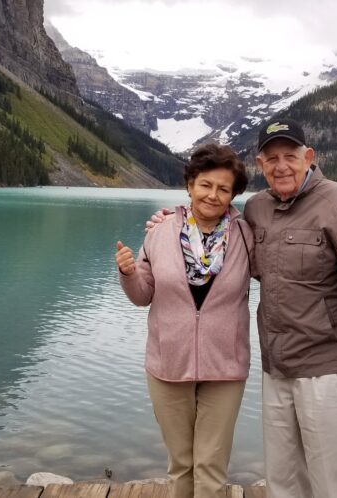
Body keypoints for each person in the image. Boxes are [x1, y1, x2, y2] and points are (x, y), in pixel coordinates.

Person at [148, 118, 337, 498]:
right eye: (271, 158)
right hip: (276, 366)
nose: (281, 166)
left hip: (327, 366)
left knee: (335, 481)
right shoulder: (257, 208)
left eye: (290, 156)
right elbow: (213, 228)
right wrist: (170, 219)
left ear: (308, 157)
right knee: (283, 480)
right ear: (260, 164)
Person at [116, 143, 253, 498]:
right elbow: (142, 295)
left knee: (211, 466)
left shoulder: (246, 236)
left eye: (224, 189)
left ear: (233, 195)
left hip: (225, 366)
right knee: (180, 465)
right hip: (168, 363)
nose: (213, 195)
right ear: (190, 185)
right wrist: (128, 273)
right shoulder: (159, 232)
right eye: (205, 185)